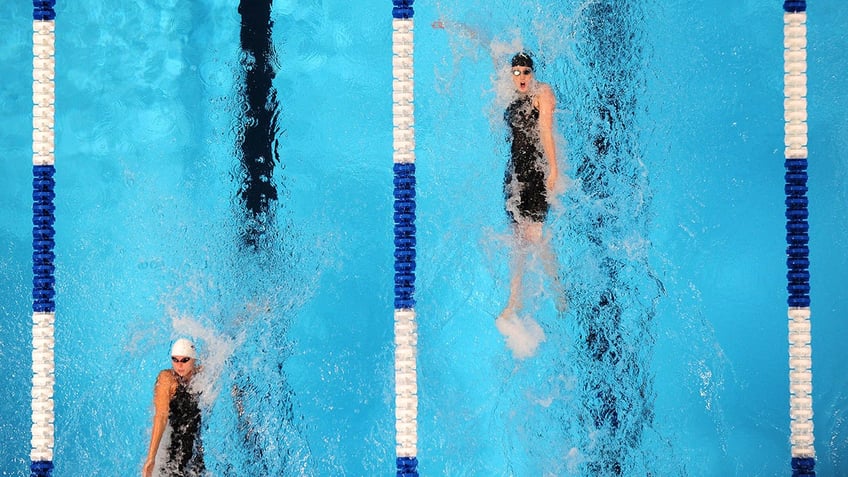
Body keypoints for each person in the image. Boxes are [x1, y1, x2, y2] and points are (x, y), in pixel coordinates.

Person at [500, 51, 564, 319]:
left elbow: (546, 130)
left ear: (533, 73)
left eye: (526, 71)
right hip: (514, 176)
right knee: (518, 240)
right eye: (516, 72)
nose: (521, 77)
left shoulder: (542, 93)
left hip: (536, 174)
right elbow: (487, 45)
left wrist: (554, 169)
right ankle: (515, 301)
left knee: (535, 239)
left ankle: (558, 291)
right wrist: (455, 27)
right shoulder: (512, 94)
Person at [143, 338, 205, 477]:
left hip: (195, 452)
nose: (179, 365)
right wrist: (151, 457)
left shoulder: (202, 376)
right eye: (175, 360)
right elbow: (161, 416)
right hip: (174, 453)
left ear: (194, 359)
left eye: (185, 360)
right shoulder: (167, 379)